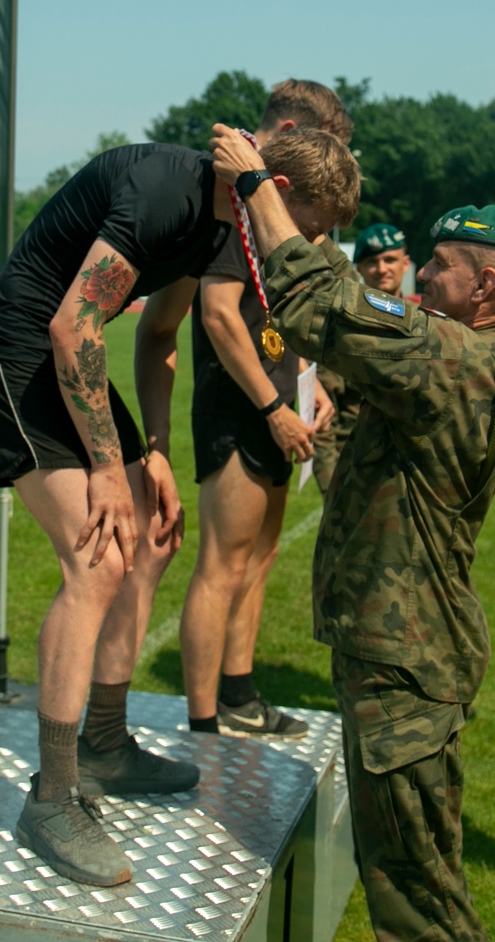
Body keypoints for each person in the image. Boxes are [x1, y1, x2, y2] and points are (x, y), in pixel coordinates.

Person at [208, 120, 495, 942]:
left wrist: (258, 183)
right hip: (399, 653)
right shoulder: (460, 362)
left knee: (417, 900)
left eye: (438, 266)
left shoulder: (459, 358)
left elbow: (318, 302)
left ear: (487, 284)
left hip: (409, 664)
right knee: (402, 874)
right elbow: (350, 446)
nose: (420, 276)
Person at [0, 142, 238, 887]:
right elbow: (71, 326)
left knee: (148, 535)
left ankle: (107, 744)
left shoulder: (225, 225)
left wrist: (153, 452)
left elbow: (156, 335)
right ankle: (52, 796)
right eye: (296, 223)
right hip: (18, 358)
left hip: (64, 358)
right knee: (97, 557)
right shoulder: (168, 193)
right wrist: (107, 470)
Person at [175, 121, 359, 741]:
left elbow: (287, 321)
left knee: (259, 559)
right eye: (315, 219)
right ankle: (204, 722)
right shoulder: (236, 219)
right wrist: (273, 409)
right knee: (221, 565)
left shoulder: (282, 237)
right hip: (239, 412)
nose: (318, 235)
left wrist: (311, 388)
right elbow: (221, 317)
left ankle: (241, 695)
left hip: (280, 412)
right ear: (281, 189)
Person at [314, 222, 411, 494]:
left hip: (407, 478)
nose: (382, 269)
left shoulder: (425, 324)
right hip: (354, 473)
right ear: (358, 268)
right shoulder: (343, 329)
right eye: (372, 262)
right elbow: (323, 419)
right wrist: (331, 488)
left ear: (406, 262)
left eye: (389, 259)